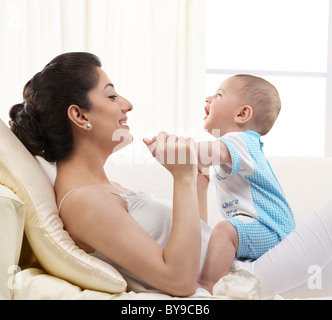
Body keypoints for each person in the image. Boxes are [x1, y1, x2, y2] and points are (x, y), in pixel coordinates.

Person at [9, 52, 332, 299]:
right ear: (79, 116)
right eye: (111, 95)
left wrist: (196, 183)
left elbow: (195, 245)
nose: (127, 104)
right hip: (240, 277)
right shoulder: (83, 201)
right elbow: (178, 280)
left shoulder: (100, 188)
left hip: (238, 266)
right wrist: (182, 179)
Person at [195, 75, 296, 292]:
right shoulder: (236, 148)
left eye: (219, 95)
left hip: (272, 229)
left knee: (224, 231)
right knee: (220, 238)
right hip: (266, 230)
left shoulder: (240, 140)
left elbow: (204, 152)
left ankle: (204, 287)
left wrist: (179, 149)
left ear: (242, 114)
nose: (208, 98)